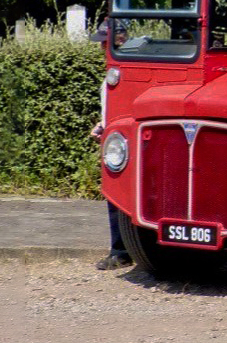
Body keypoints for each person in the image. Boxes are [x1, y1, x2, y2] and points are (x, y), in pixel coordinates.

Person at [91, 20, 133, 270]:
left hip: (124, 140)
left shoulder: (126, 71)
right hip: (115, 137)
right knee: (114, 196)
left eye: (104, 42)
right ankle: (120, 248)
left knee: (119, 196)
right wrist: (103, 124)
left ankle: (121, 250)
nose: (101, 47)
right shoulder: (113, 73)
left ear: (118, 41)